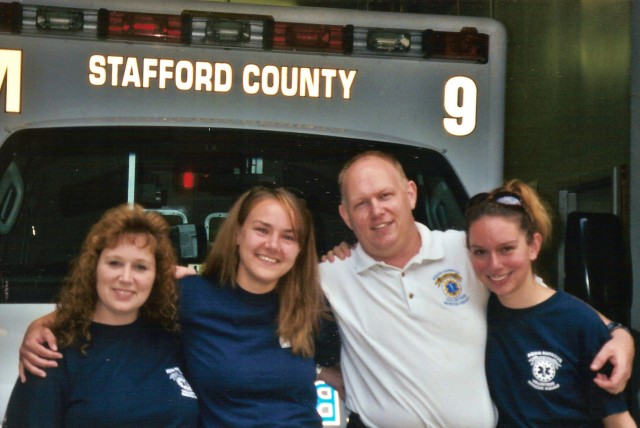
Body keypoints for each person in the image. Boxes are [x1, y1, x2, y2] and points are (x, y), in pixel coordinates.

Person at [318, 151, 634, 427]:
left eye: (385, 195)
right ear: (346, 215)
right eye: (362, 203)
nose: (377, 211)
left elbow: (542, 301)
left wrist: (617, 333)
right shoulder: (331, 274)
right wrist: (320, 371)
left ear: (410, 194)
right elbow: (272, 328)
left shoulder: (470, 250)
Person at [17, 186, 326, 427]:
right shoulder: (191, 295)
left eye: (289, 236)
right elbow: (116, 300)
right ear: (237, 233)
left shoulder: (312, 306)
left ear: (301, 249)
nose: (273, 244)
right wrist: (43, 324)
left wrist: (328, 374)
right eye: (262, 229)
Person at [5, 204, 199, 427]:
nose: (126, 277)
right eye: (114, 263)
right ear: (93, 267)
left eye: (141, 267)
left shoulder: (172, 338)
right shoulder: (49, 353)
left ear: (157, 276)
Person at [465, 180, 636, 427]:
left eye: (507, 249)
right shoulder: (475, 313)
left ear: (533, 246)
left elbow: (618, 420)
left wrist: (622, 335)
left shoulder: (577, 321)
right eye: (480, 252)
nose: (494, 265)